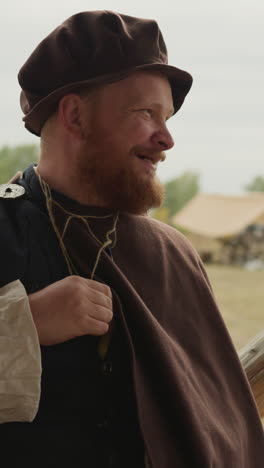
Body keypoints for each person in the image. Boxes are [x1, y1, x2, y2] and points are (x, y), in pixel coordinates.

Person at [0, 10, 263, 468]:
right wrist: (23, 326)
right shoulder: (4, 231)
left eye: (168, 117)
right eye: (146, 113)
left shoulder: (173, 253)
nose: (167, 139)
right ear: (76, 115)